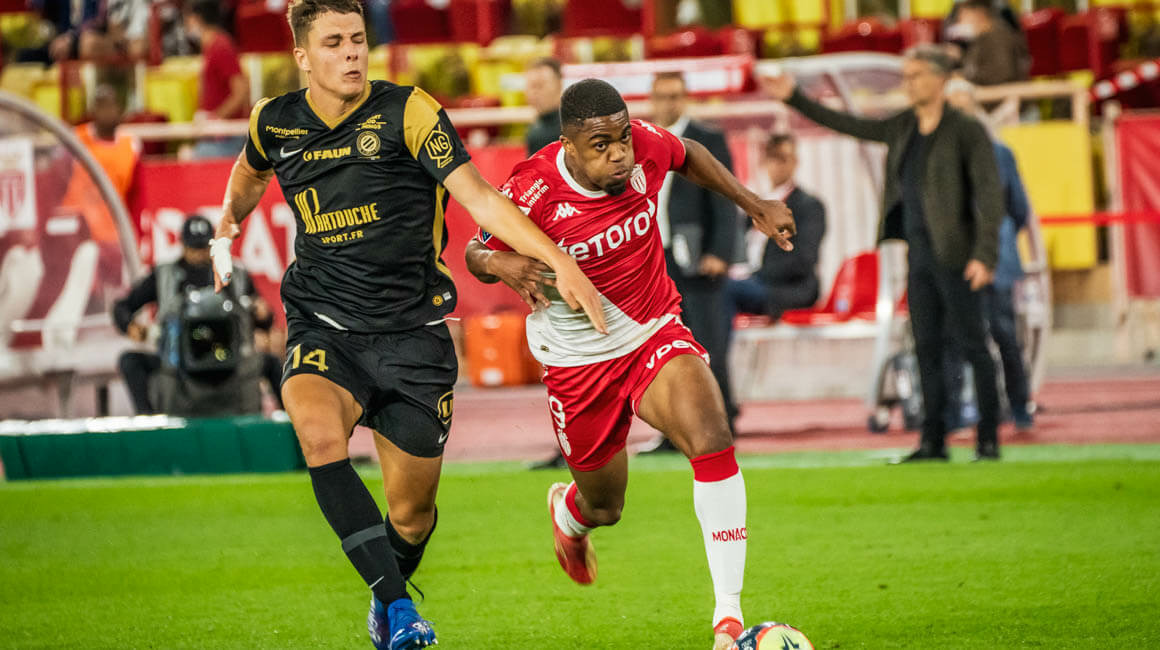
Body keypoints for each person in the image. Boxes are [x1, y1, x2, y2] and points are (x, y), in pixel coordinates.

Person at [207, 2, 604, 648]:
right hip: (323, 323)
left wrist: (558, 259)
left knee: (412, 518)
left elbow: (480, 198)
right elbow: (250, 172)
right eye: (333, 43)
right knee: (318, 436)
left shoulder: (408, 112)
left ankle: (386, 593)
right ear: (302, 57)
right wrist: (228, 223)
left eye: (357, 39)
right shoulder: (272, 121)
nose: (351, 52)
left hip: (413, 335)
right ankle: (397, 609)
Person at [464, 78, 795, 650]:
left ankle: (728, 620)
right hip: (577, 362)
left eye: (621, 138)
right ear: (568, 145)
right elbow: (474, 251)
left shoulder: (642, 144)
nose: (620, 153)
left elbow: (689, 153)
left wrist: (753, 202)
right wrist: (501, 264)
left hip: (651, 331)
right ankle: (570, 516)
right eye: (601, 145)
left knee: (712, 436)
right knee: (605, 504)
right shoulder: (533, 188)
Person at [763, 45, 1004, 462]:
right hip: (919, 255)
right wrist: (795, 99)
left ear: (940, 79)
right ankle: (933, 441)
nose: (909, 84)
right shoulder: (904, 126)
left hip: (958, 256)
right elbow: (851, 124)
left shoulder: (966, 130)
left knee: (973, 346)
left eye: (917, 75)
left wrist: (985, 255)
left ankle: (988, 439)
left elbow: (989, 195)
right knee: (925, 346)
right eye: (906, 76)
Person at [641, 70, 740, 453]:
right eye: (663, 96)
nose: (669, 103)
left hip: (699, 260)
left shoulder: (706, 138)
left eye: (676, 95)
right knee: (665, 348)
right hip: (656, 261)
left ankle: (721, 424)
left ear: (685, 98)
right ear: (652, 99)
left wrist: (721, 252)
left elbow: (725, 195)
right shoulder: (642, 142)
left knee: (708, 342)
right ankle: (674, 430)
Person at [114, 215, 282, 415]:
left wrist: (263, 314)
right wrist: (131, 327)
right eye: (194, 248)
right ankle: (149, 421)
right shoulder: (163, 275)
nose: (199, 254)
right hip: (178, 365)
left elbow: (263, 320)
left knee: (272, 363)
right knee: (130, 361)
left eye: (203, 247)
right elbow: (122, 307)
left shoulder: (235, 274)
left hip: (232, 363)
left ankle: (291, 421)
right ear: (182, 245)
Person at [944, 77, 1035, 431]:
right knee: (962, 337)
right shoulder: (946, 157)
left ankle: (1018, 407)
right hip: (958, 258)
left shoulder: (999, 154)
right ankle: (957, 413)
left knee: (1003, 334)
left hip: (995, 258)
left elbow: (1018, 209)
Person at [722, 132, 826, 327]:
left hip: (788, 288)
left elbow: (804, 259)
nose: (777, 164)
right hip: (751, 281)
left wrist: (755, 274)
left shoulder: (808, 206)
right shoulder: (757, 206)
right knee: (705, 289)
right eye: (772, 157)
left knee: (726, 290)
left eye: (783, 158)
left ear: (794, 162)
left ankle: (717, 346)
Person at [185, 0, 250, 159]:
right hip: (215, 135)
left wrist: (215, 118)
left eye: (187, 20)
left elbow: (241, 92)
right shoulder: (210, 47)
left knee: (188, 158)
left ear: (196, 19)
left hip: (227, 138)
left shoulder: (221, 47)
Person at [75, 85, 141, 207]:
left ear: (119, 109)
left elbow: (136, 193)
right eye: (101, 106)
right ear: (93, 111)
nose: (106, 112)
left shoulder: (131, 145)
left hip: (117, 214)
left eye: (110, 105)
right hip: (82, 213)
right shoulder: (76, 140)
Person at [952, 0, 1030, 86]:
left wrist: (966, 78)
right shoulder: (980, 38)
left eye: (963, 14)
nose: (959, 19)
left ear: (978, 13)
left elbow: (1002, 75)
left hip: (1002, 92)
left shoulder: (998, 37)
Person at [524, 57, 564, 155]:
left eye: (540, 85)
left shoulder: (572, 128)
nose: (535, 92)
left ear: (559, 85)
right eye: (531, 86)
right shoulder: (535, 129)